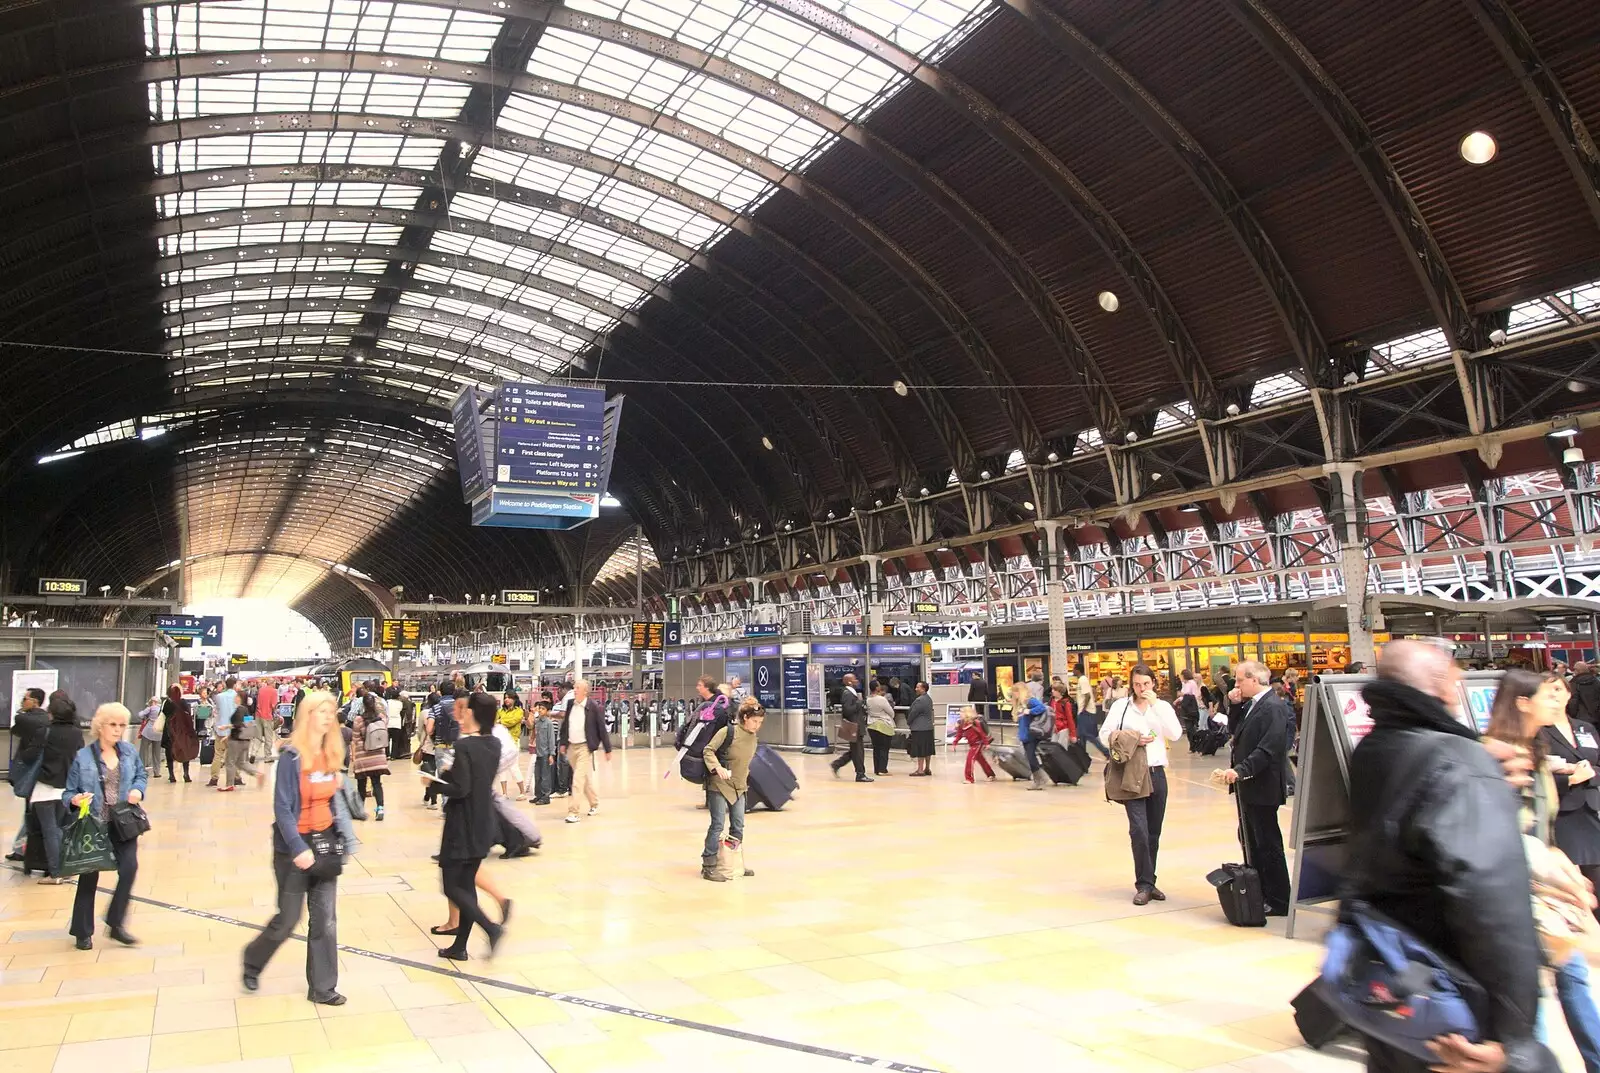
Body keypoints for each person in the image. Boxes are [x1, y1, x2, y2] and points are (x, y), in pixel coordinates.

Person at [1345, 641, 1551, 1073]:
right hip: (1457, 997)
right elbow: (1493, 904)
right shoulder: (1459, 764)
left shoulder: (1375, 749)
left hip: (1397, 978)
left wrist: (1476, 763)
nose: (1460, 685)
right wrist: (1513, 1039)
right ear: (1439, 684)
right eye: (1455, 676)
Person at [1486, 670, 1600, 1071]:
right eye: (1547, 695)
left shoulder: (1536, 750)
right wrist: (1555, 874)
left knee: (1571, 978)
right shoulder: (1499, 754)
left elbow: (1541, 827)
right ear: (1522, 702)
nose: (1558, 700)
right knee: (1530, 992)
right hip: (1515, 894)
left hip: (1542, 891)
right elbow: (1505, 831)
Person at [242, 692, 351, 1005]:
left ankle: (322, 987)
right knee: (288, 919)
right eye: (321, 711)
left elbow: (331, 799)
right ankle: (252, 961)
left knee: (326, 920)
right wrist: (297, 847)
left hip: (325, 843)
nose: (328, 717)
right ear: (307, 715)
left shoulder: (332, 752)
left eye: (331, 711)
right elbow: (283, 806)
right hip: (293, 848)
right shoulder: (292, 756)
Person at [63, 703, 147, 950]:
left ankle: (115, 922)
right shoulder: (83, 757)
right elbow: (68, 792)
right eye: (113, 724)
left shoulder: (129, 752)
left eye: (122, 725)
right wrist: (75, 800)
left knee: (129, 868)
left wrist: (138, 790)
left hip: (123, 822)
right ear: (101, 726)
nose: (118, 730)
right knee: (89, 877)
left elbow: (141, 775)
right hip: (94, 825)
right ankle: (82, 931)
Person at [1099, 664, 1182, 904]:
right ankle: (1143, 885)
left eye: (1145, 683)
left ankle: (1150, 880)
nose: (1141, 688)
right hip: (1131, 774)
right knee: (1139, 831)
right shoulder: (1121, 706)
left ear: (1153, 683)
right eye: (1136, 684)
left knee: (1153, 832)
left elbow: (1175, 734)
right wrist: (1132, 738)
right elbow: (1105, 735)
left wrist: (1156, 705)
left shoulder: (1162, 707)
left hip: (1156, 773)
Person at [433, 692, 506, 960]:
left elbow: (460, 788)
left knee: (452, 887)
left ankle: (491, 928)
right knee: (467, 884)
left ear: (472, 713)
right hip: (483, 820)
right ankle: (459, 946)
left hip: (461, 824)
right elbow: (475, 780)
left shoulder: (465, 747)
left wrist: (434, 783)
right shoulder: (494, 743)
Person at [1218, 661, 1293, 916]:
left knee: (1267, 842)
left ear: (1254, 680)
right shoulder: (1253, 705)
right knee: (1251, 838)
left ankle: (1279, 898)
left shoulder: (1273, 707)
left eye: (1239, 680)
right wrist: (1236, 705)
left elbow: (1268, 748)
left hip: (1262, 786)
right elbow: (1235, 731)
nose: (1236, 685)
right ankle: (1261, 890)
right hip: (1249, 786)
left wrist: (1241, 770)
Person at [1540, 683, 1600, 912]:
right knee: (1574, 888)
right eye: (1547, 690)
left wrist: (1588, 776)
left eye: (1558, 689)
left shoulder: (1585, 728)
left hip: (1591, 809)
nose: (1554, 695)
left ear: (1569, 694)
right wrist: (1571, 779)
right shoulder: (1539, 731)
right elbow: (1537, 775)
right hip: (1560, 812)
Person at [697, 697, 764, 882]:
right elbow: (708, 750)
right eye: (754, 721)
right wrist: (717, 768)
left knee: (738, 825)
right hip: (718, 784)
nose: (757, 725)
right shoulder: (728, 732)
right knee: (718, 824)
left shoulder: (753, 738)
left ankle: (733, 861)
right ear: (745, 718)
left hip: (739, 787)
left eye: (760, 722)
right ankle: (708, 865)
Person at [27, 692, 83, 884]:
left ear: (53, 714)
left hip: (45, 786)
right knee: (60, 828)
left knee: (50, 830)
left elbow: (29, 756)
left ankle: (56, 872)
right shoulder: (77, 733)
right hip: (66, 786)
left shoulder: (45, 731)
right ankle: (65, 868)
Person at [557, 679, 612, 823]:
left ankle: (573, 812)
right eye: (574, 687)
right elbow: (565, 726)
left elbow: (601, 728)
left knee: (577, 780)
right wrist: (563, 743)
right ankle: (594, 803)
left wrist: (608, 749)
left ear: (585, 691)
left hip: (584, 747)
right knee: (583, 779)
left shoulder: (593, 707)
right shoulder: (570, 704)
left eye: (577, 688)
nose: (574, 690)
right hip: (571, 747)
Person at [7, 687, 49, 862]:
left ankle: (22, 849)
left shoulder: (24, 718)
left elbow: (15, 728)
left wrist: (22, 710)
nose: (22, 702)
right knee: (34, 811)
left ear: (35, 701)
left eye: (25, 699)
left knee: (31, 812)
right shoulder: (47, 719)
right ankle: (23, 848)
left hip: (30, 771)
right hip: (45, 772)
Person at [219, 684, 265, 792]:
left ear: (239, 698)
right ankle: (258, 774)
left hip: (236, 741)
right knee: (241, 762)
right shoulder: (246, 709)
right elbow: (246, 725)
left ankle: (229, 784)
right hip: (245, 740)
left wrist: (225, 727)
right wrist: (228, 735)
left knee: (230, 761)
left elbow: (238, 725)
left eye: (236, 696)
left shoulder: (238, 710)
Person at [351, 692, 389, 821]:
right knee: (377, 783)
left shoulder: (358, 720)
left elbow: (355, 739)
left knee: (361, 785)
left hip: (363, 757)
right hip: (378, 756)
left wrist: (354, 756)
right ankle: (380, 809)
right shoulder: (382, 718)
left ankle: (361, 811)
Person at [829, 672, 871, 782]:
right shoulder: (847, 694)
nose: (857, 681)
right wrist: (859, 703)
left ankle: (837, 764)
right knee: (858, 751)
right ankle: (860, 774)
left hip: (857, 725)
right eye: (855, 679)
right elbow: (847, 710)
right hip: (854, 726)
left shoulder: (852, 693)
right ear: (849, 682)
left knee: (855, 750)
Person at [1012, 682, 1052, 791]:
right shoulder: (1020, 704)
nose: (1013, 694)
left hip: (1031, 734)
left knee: (1030, 756)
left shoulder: (1029, 701)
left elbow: (1041, 707)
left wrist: (1029, 711)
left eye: (1015, 692)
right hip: (1025, 734)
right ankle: (1038, 779)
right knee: (1029, 757)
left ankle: (1040, 778)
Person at [161, 685, 198, 784]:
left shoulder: (167, 703)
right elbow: (188, 714)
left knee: (169, 752)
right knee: (185, 751)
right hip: (182, 731)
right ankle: (186, 774)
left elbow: (163, 714)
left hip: (170, 730)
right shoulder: (183, 702)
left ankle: (171, 775)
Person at [208, 676, 239, 786]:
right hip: (233, 730)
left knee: (218, 755)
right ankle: (236, 778)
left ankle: (214, 778)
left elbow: (217, 711)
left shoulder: (219, 697)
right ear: (235, 685)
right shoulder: (238, 696)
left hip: (221, 729)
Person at [952, 706, 995, 783]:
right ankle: (991, 774)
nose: (960, 714)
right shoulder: (961, 723)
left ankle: (969, 778)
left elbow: (982, 734)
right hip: (972, 744)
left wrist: (986, 743)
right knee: (981, 760)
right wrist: (955, 743)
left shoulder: (975, 723)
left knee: (970, 759)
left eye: (961, 713)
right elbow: (959, 734)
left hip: (977, 744)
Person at [865, 680, 897, 777]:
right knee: (884, 748)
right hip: (883, 725)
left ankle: (877, 769)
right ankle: (882, 769)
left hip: (871, 725)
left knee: (876, 748)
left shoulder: (868, 699)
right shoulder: (881, 699)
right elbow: (891, 712)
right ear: (877, 688)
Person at [497, 693, 525, 797]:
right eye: (505, 698)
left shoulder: (519, 711)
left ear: (514, 699)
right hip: (501, 742)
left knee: (514, 767)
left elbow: (513, 721)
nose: (506, 700)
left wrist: (501, 721)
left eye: (509, 697)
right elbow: (494, 722)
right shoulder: (500, 711)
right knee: (501, 768)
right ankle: (504, 793)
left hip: (513, 741)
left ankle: (522, 792)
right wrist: (499, 722)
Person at [529, 700, 556, 805]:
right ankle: (538, 795)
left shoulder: (549, 723)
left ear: (547, 711)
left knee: (545, 776)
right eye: (539, 708)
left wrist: (551, 754)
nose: (540, 710)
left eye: (543, 708)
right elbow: (530, 726)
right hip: (538, 752)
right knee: (537, 775)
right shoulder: (537, 722)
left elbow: (551, 739)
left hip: (546, 753)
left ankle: (546, 796)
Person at [906, 681, 935, 776]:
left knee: (920, 749)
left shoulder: (919, 700)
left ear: (923, 689)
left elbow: (913, 713)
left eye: (917, 687)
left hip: (919, 728)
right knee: (927, 749)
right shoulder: (929, 699)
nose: (915, 689)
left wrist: (908, 722)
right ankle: (927, 768)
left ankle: (920, 770)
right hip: (928, 727)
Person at [135, 695, 162, 774]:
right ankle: (157, 772)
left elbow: (140, 715)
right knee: (157, 754)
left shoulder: (150, 708)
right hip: (158, 733)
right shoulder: (161, 709)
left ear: (152, 702)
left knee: (143, 752)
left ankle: (141, 770)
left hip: (148, 732)